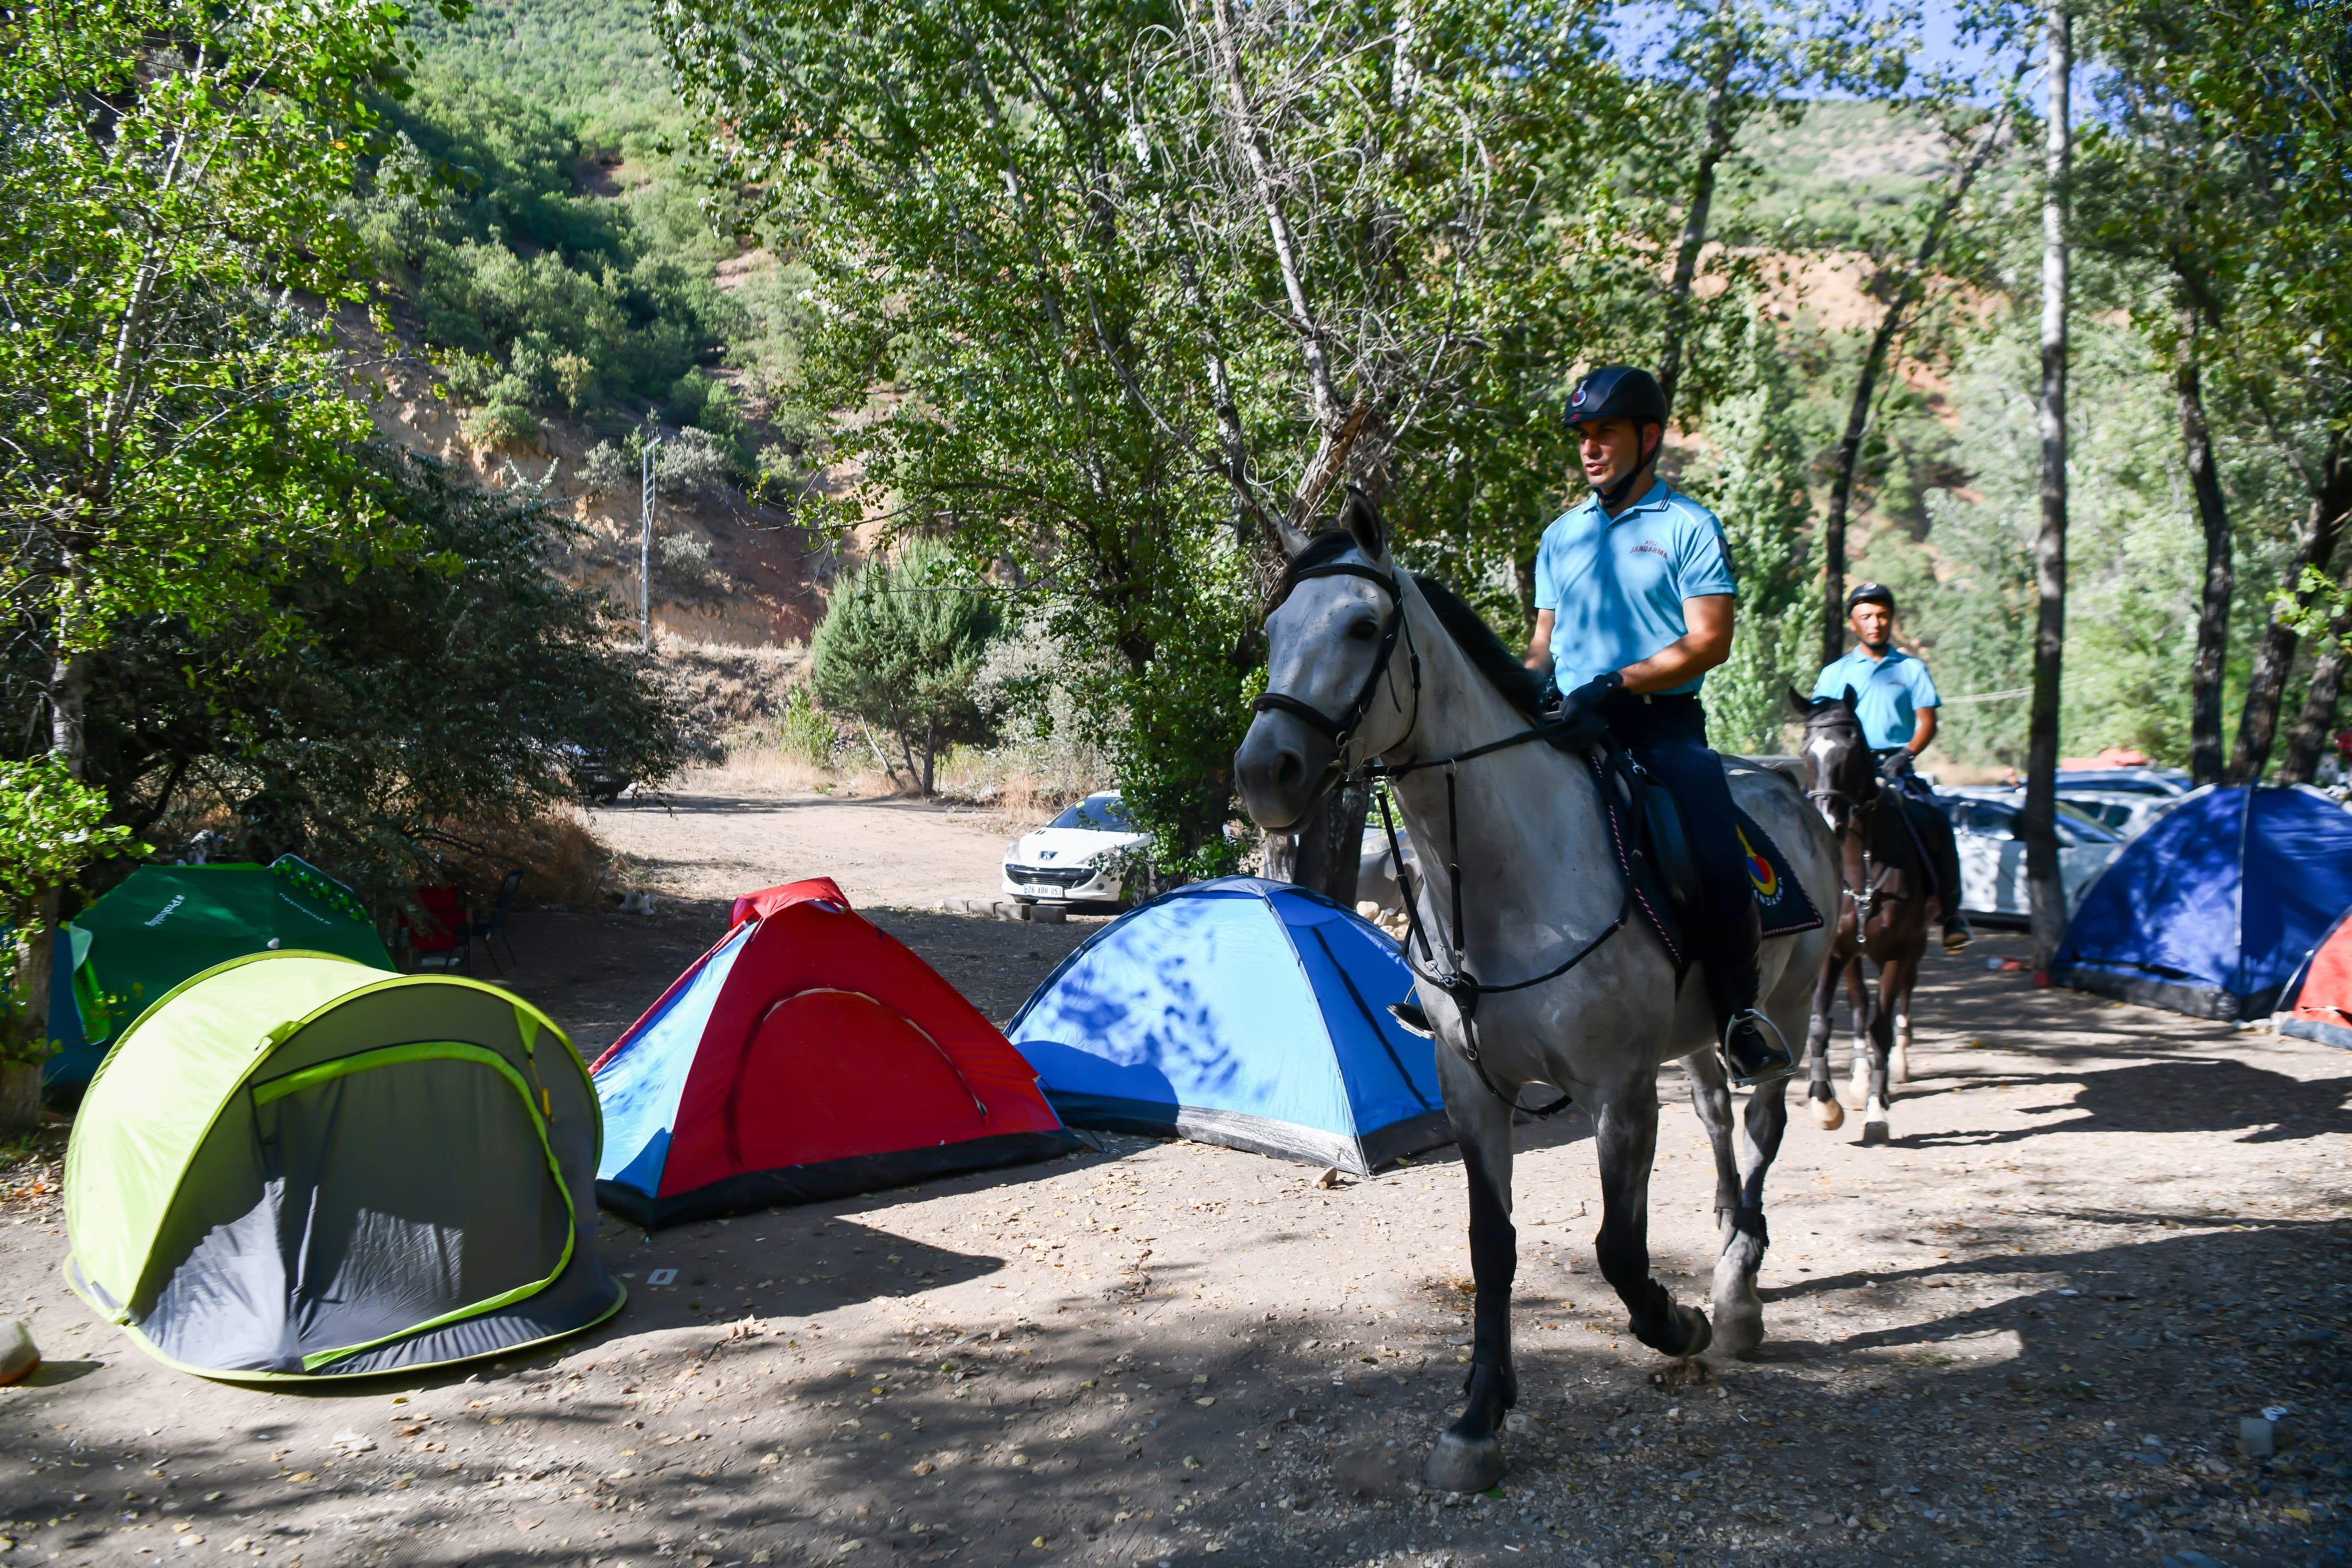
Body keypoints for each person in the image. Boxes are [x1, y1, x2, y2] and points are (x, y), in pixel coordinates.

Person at [1525, 364, 1794, 1088]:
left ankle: (1740, 1014)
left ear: (1648, 437)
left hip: (1660, 726)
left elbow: (1710, 640)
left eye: (1603, 433)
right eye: (1582, 436)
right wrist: (1523, 689)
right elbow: (1543, 645)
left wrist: (1618, 682)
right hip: (1570, 723)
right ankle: (1455, 976)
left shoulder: (1689, 526)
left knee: (1713, 847)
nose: (1589, 449)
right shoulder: (1561, 536)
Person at [1812, 583, 1972, 952]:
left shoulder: (1912, 669)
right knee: (1809, 823)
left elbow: (1927, 722)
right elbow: (1819, 721)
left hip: (1895, 769)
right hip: (1847, 773)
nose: (1876, 622)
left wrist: (1907, 754)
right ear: (1854, 623)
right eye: (1866, 616)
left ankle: (1951, 914)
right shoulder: (1835, 673)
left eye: (1882, 615)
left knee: (1936, 819)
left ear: (1891, 619)